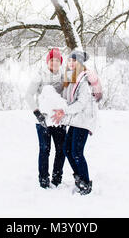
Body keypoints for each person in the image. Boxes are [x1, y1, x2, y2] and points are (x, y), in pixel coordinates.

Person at [51, 50, 98, 195]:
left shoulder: (83, 81)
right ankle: (79, 178)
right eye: (69, 61)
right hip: (75, 120)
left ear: (80, 64)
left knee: (76, 152)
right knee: (67, 149)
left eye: (74, 61)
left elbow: (81, 103)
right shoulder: (71, 78)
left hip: (83, 120)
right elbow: (63, 95)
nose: (71, 63)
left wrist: (64, 111)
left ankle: (85, 182)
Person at [25, 48, 67, 189]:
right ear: (48, 61)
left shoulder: (64, 77)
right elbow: (28, 95)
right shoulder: (40, 75)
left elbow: (68, 96)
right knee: (45, 150)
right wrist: (37, 113)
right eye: (52, 60)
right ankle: (43, 179)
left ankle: (57, 178)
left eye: (57, 60)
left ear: (60, 62)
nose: (54, 63)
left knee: (61, 150)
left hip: (59, 120)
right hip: (43, 119)